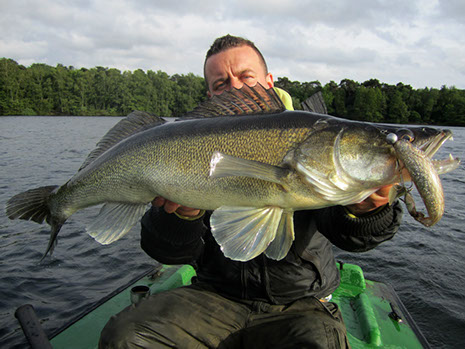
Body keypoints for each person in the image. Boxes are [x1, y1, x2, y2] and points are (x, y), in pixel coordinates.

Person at [99, 35, 402, 349]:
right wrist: (182, 218)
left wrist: (369, 212)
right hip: (213, 298)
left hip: (299, 305)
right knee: (123, 338)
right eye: (221, 83)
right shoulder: (186, 145)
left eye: (246, 76)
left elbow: (350, 236)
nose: (235, 87)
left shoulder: (315, 141)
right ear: (210, 95)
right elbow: (166, 251)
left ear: (268, 82)